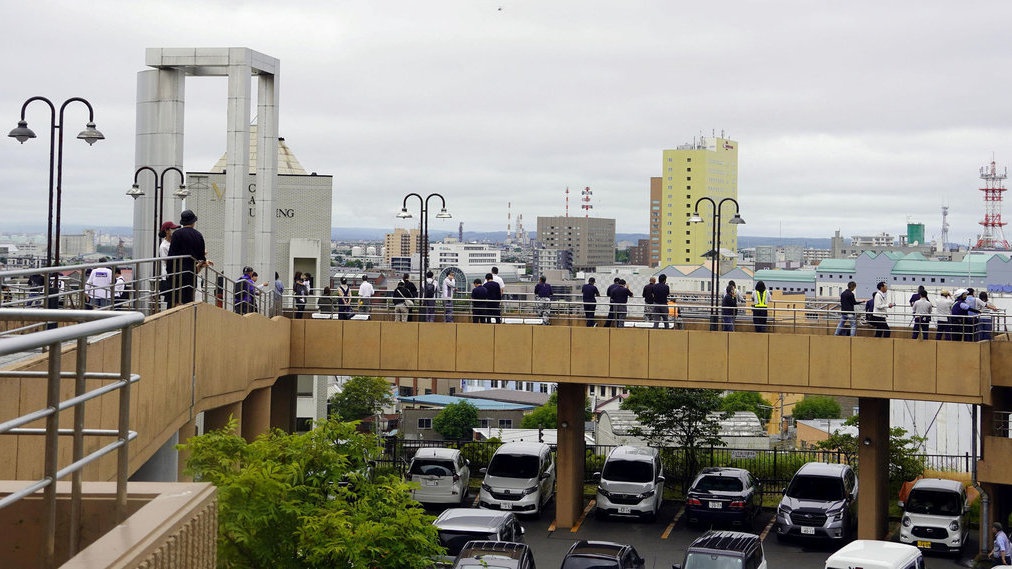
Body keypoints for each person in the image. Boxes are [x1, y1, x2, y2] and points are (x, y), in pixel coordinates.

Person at [166, 210, 211, 305]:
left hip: (177, 272)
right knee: (188, 300)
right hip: (191, 271)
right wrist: (202, 263)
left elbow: (171, 255)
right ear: (193, 222)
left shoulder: (177, 234)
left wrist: (169, 271)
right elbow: (201, 257)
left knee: (176, 300)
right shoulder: (198, 235)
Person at [158, 220, 180, 309]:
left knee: (175, 299)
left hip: (173, 274)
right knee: (171, 300)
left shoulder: (173, 243)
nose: (174, 231)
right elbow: (167, 261)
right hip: (168, 275)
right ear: (167, 231)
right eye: (172, 229)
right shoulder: (164, 246)